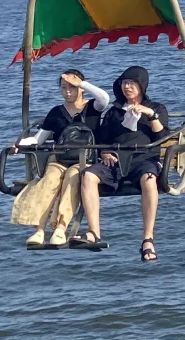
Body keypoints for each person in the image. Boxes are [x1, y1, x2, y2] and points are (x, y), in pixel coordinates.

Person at [76, 65, 169, 261]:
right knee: (88, 175)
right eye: (124, 83)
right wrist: (105, 153)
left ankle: (148, 239)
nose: (127, 87)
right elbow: (101, 139)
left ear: (142, 86)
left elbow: (162, 135)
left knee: (149, 180)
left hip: (144, 159)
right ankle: (93, 232)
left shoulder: (157, 108)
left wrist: (150, 114)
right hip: (116, 161)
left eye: (132, 83)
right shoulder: (114, 112)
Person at [10, 69, 109, 249]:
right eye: (64, 88)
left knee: (73, 178)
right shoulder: (56, 112)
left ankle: (60, 228)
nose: (68, 92)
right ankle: (39, 228)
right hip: (60, 158)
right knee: (50, 179)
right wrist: (19, 144)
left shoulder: (92, 107)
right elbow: (38, 138)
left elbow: (105, 98)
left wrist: (81, 83)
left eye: (72, 87)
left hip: (83, 159)